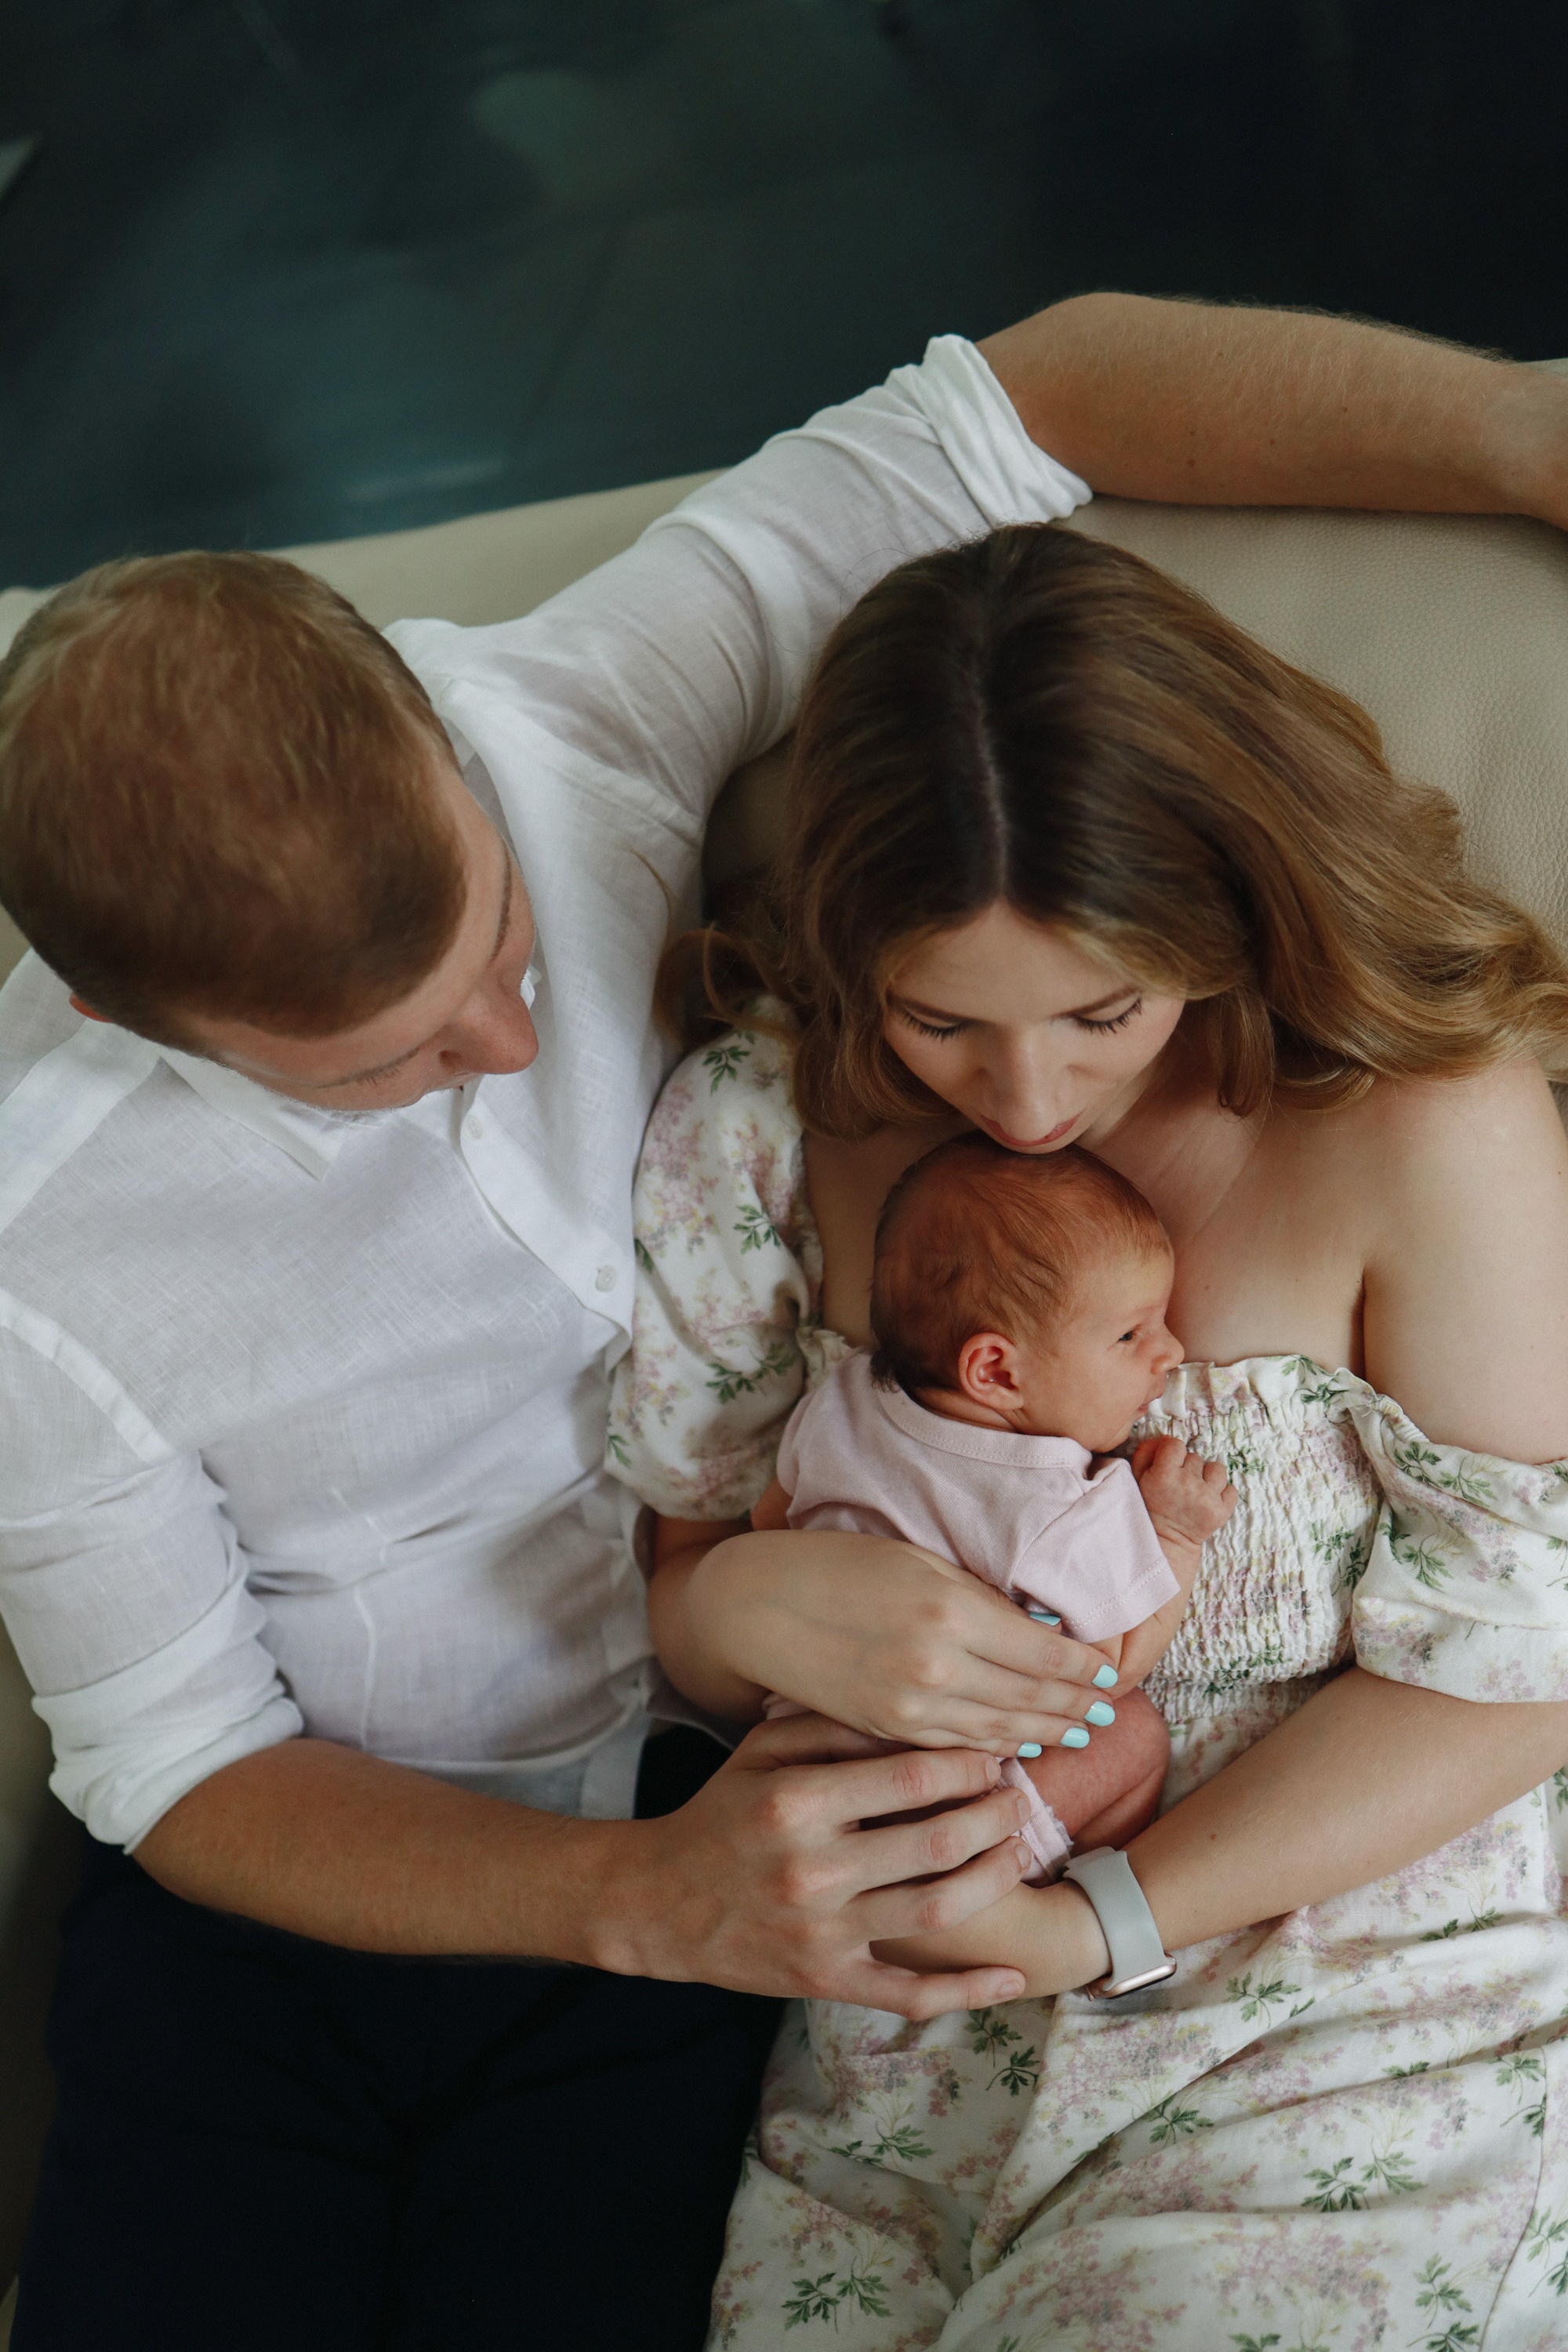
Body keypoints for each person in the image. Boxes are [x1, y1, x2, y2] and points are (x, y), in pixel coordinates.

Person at [3, 299, 1568, 2352]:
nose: (518, 1047)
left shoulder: (568, 723)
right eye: (384, 1061)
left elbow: (1030, 390)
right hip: (597, 1930)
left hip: (1146, 1951)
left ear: (441, 733)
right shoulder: (752, 1122)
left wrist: (1529, 436)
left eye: (507, 942)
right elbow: (208, 1753)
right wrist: (717, 1691)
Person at [608, 520, 1568, 2348]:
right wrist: (745, 1603)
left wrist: (1099, 1920)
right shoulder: (768, 1120)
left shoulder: (1424, 1127)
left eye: (1101, 1009)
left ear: (1225, 906)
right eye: (939, 1018)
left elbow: (1516, 1678)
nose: (1027, 1096)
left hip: (1345, 2003)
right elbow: (676, 1601)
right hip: (901, 2044)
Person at [752, 1134, 1237, 1871]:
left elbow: (768, 1523)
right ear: (997, 1372)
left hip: (806, 1766)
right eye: (1130, 1334)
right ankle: (1048, 1879)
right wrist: (1176, 1534)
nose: (1170, 1352)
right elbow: (1109, 1674)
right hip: (953, 1808)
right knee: (1133, 1732)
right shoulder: (1062, 1503)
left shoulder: (838, 1403)